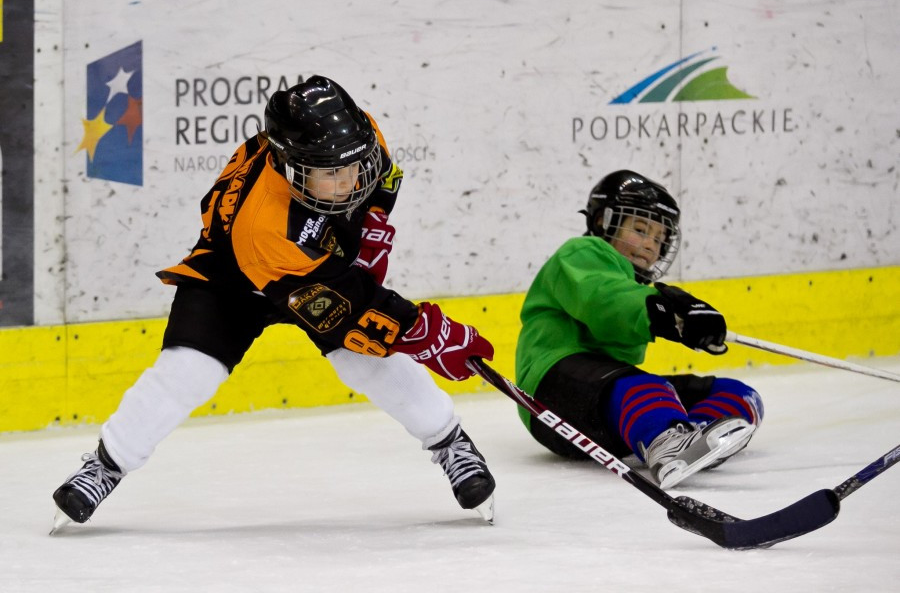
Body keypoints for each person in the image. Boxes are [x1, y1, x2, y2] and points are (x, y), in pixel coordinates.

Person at [52, 75, 497, 531]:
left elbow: (383, 178)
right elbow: (348, 308)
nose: (347, 181)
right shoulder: (264, 222)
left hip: (315, 267)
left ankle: (450, 443)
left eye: (352, 167)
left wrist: (374, 221)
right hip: (236, 278)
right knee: (187, 372)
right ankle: (106, 465)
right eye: (330, 174)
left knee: (367, 363)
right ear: (290, 166)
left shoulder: (357, 136)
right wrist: (429, 331)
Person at [514, 169, 763, 489]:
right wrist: (665, 310)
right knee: (643, 388)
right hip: (548, 394)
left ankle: (692, 439)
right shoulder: (581, 253)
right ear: (604, 221)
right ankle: (667, 443)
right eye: (641, 229)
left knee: (738, 393)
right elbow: (604, 301)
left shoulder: (633, 284)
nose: (650, 244)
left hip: (606, 403)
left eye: (660, 238)